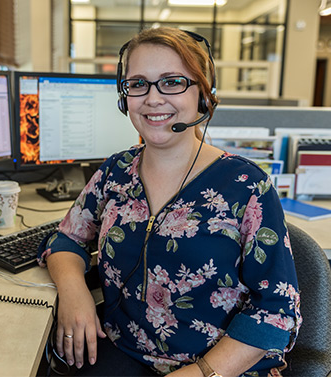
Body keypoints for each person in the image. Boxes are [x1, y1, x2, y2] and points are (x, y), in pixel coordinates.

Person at [38, 27, 301, 377]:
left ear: (204, 95)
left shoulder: (247, 186)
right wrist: (74, 292)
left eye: (172, 82)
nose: (153, 98)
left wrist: (202, 372)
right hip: (125, 353)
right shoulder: (117, 170)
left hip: (220, 369)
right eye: (138, 84)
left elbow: (277, 309)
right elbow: (67, 237)